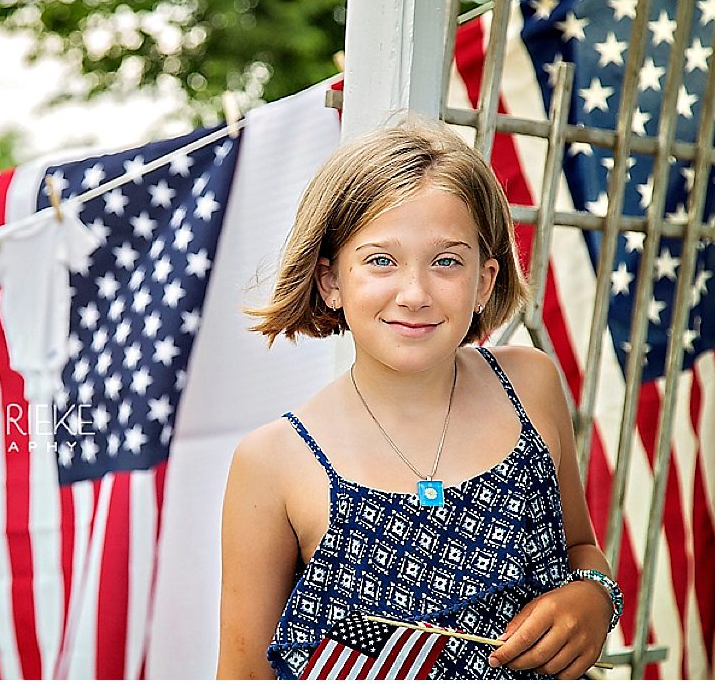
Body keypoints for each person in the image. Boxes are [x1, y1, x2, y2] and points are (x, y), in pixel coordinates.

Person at [219, 116, 623, 681]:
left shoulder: (530, 385)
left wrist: (595, 596)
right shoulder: (274, 462)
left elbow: (580, 547)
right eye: (381, 260)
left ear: (485, 281)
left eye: (446, 262)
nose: (414, 293)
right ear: (331, 280)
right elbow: (242, 673)